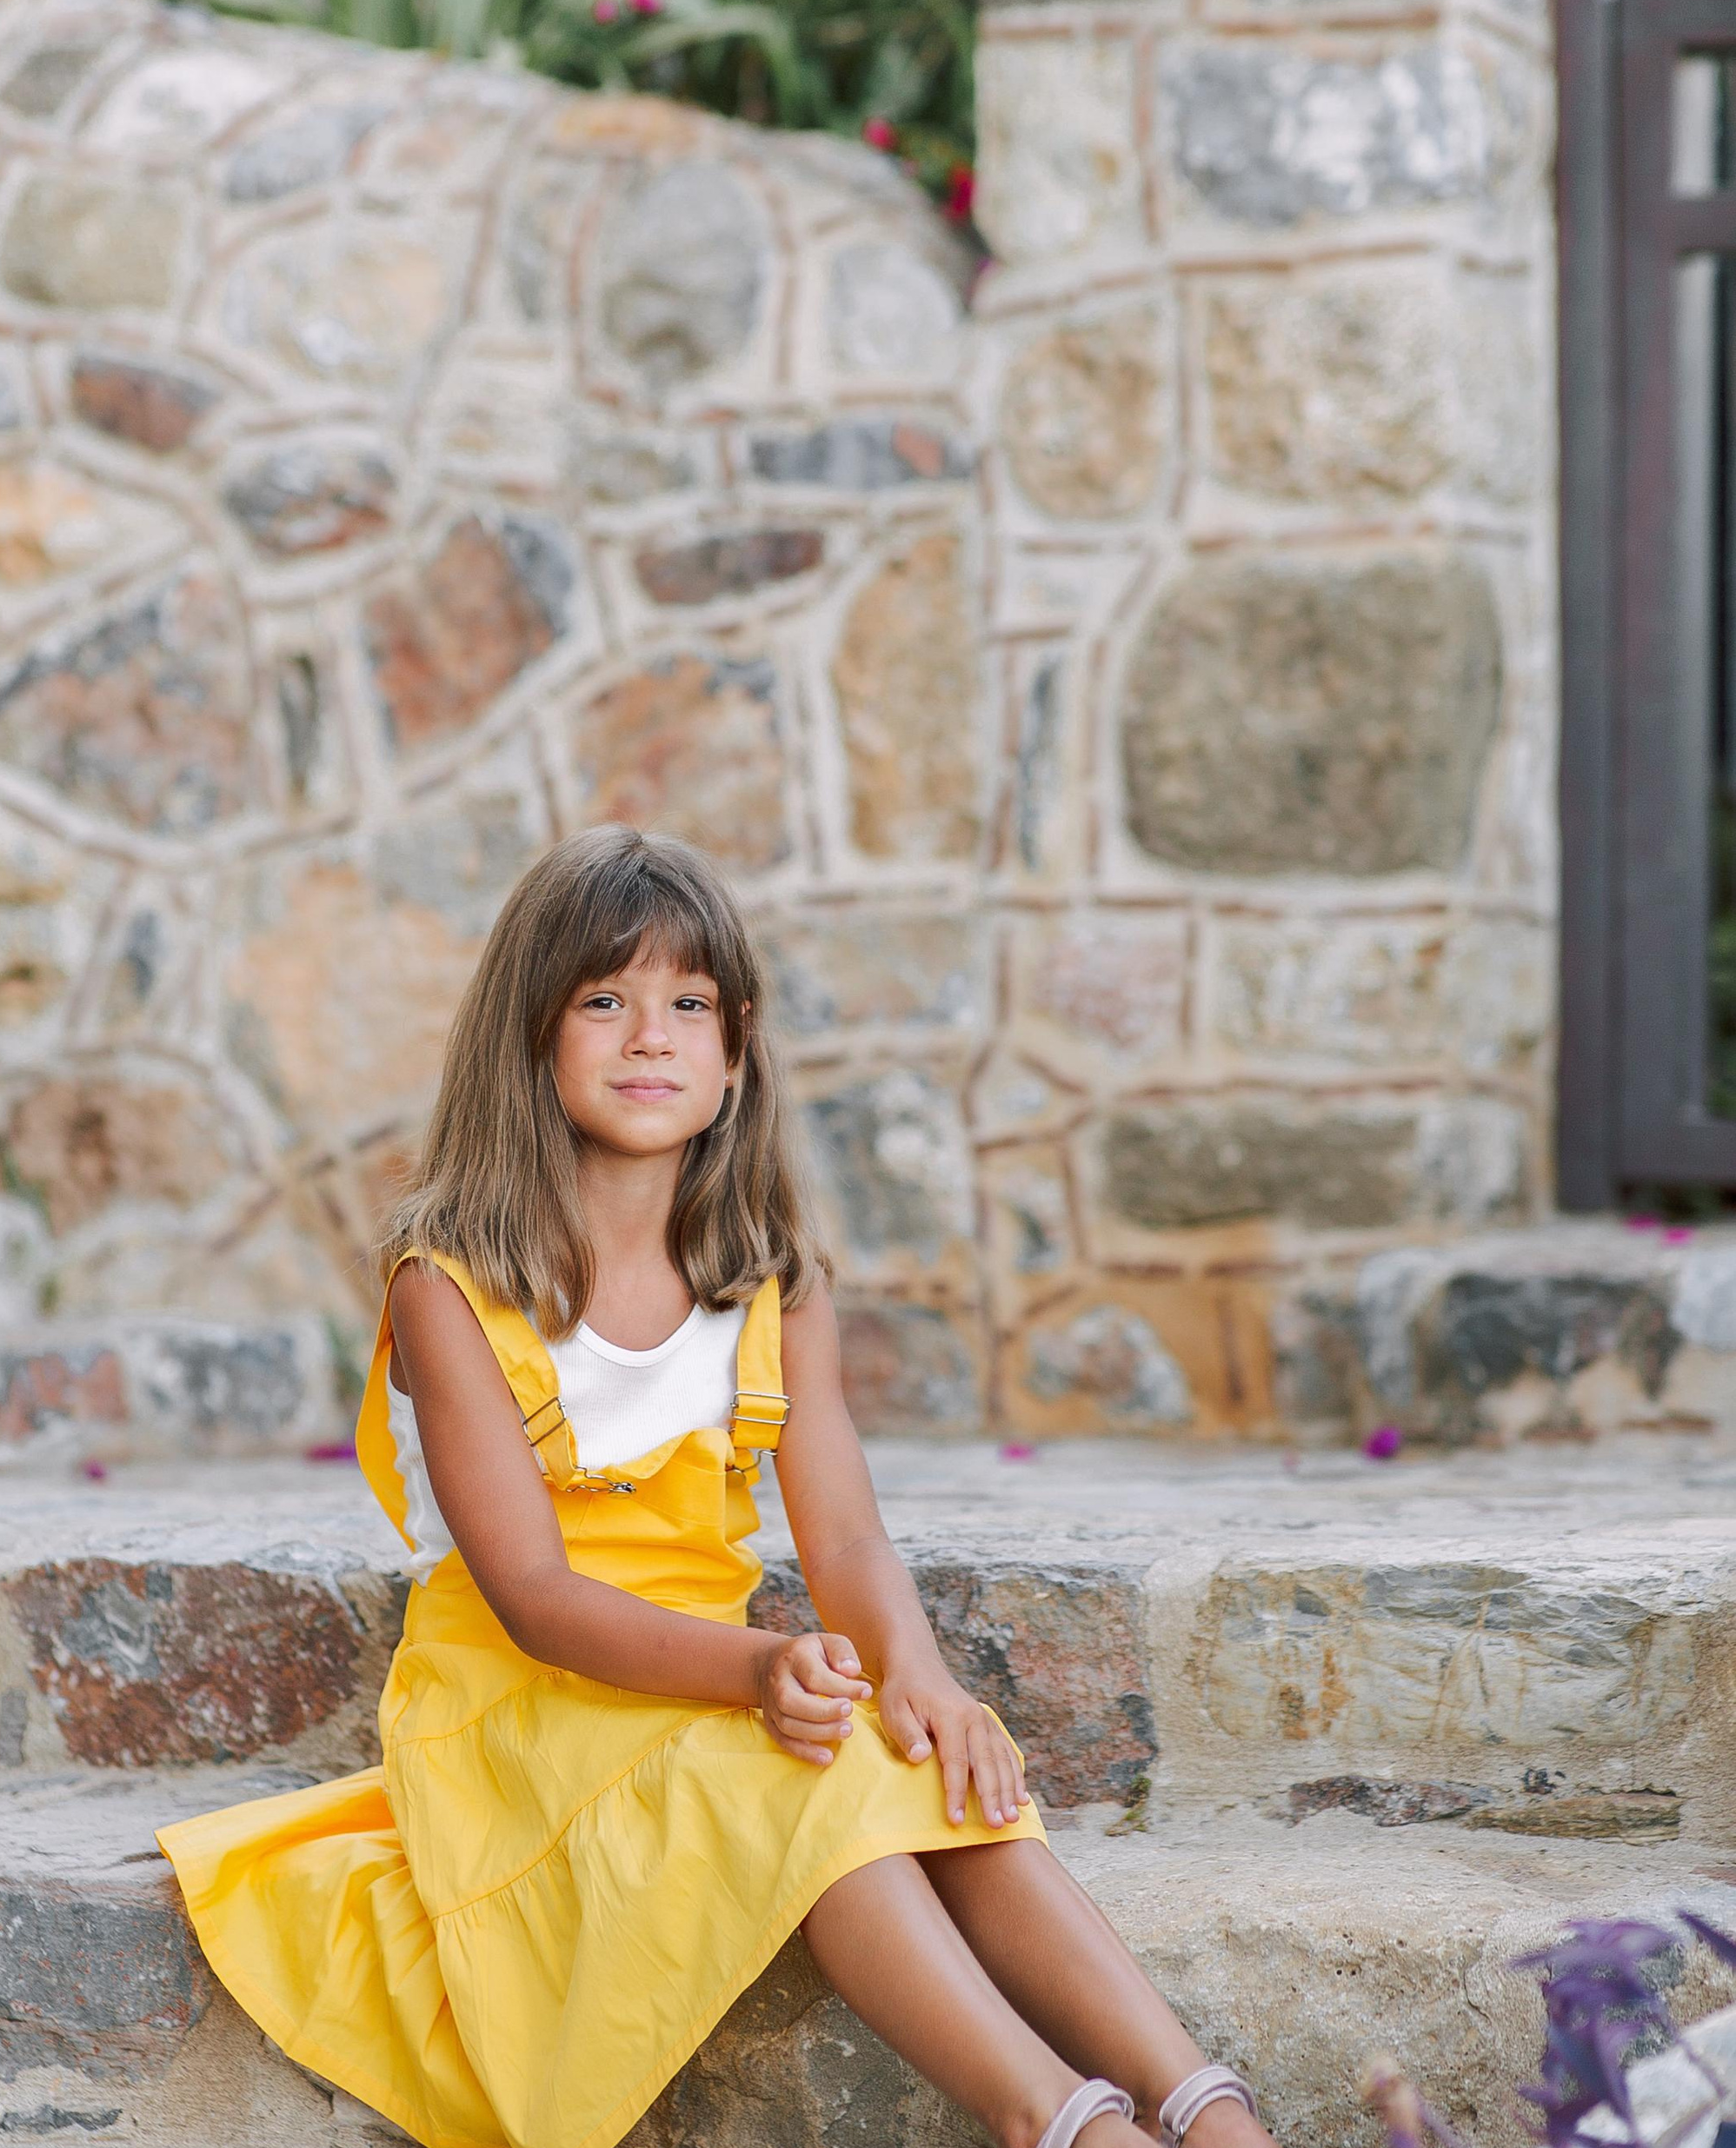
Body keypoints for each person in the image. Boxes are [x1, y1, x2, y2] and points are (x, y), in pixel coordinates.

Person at [158, 826, 1274, 2148]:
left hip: (712, 1666)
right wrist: (753, 1673)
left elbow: (844, 1529)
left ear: (735, 1048)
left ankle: (1205, 2113)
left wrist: (917, 1670)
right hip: (531, 1698)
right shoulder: (450, 1286)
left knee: (933, 1764)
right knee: (790, 1775)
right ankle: (1063, 2124)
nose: (651, 1038)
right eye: (605, 1002)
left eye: (689, 1005)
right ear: (531, 1037)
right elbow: (529, 1593)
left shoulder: (768, 1280)